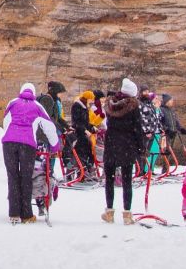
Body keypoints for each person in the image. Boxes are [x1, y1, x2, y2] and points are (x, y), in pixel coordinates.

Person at [0, 84, 54, 224]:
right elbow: (48, 125)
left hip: (9, 143)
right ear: (34, 93)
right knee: (26, 177)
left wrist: (13, 135)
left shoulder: (12, 102)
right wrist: (55, 145)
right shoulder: (37, 106)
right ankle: (27, 214)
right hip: (27, 144)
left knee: (12, 176)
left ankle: (13, 213)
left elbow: (6, 122)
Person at [100, 79, 142, 223]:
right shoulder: (133, 107)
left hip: (111, 144)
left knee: (109, 180)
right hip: (127, 145)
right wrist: (141, 147)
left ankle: (109, 212)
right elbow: (138, 128)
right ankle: (127, 215)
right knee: (126, 181)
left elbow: (107, 123)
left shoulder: (110, 105)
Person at [38, 81, 71, 175]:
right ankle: (47, 172)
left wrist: (67, 126)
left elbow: (58, 117)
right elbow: (49, 118)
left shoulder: (53, 101)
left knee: (53, 152)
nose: (61, 95)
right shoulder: (47, 100)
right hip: (45, 133)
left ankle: (49, 172)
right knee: (50, 152)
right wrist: (62, 129)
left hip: (51, 131)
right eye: (60, 93)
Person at [68, 90, 99, 181]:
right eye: (91, 99)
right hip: (78, 134)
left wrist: (92, 127)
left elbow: (86, 122)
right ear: (87, 98)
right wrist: (85, 130)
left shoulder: (85, 107)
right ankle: (80, 173)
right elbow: (77, 122)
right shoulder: (77, 106)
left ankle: (86, 170)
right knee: (80, 154)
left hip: (84, 134)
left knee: (89, 152)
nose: (92, 101)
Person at [136, 90, 165, 176]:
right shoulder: (147, 107)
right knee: (148, 152)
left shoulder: (156, 109)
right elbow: (145, 120)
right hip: (149, 132)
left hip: (155, 133)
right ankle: (144, 169)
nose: (158, 100)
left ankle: (150, 169)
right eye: (155, 98)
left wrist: (161, 129)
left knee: (154, 152)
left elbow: (157, 121)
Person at [159, 93, 186, 159]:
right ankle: (160, 165)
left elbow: (176, 122)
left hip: (172, 134)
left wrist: (182, 130)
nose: (172, 101)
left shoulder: (172, 111)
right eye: (171, 100)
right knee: (164, 150)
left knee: (169, 152)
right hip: (165, 135)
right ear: (166, 101)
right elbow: (159, 122)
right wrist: (167, 130)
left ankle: (165, 168)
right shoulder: (161, 110)